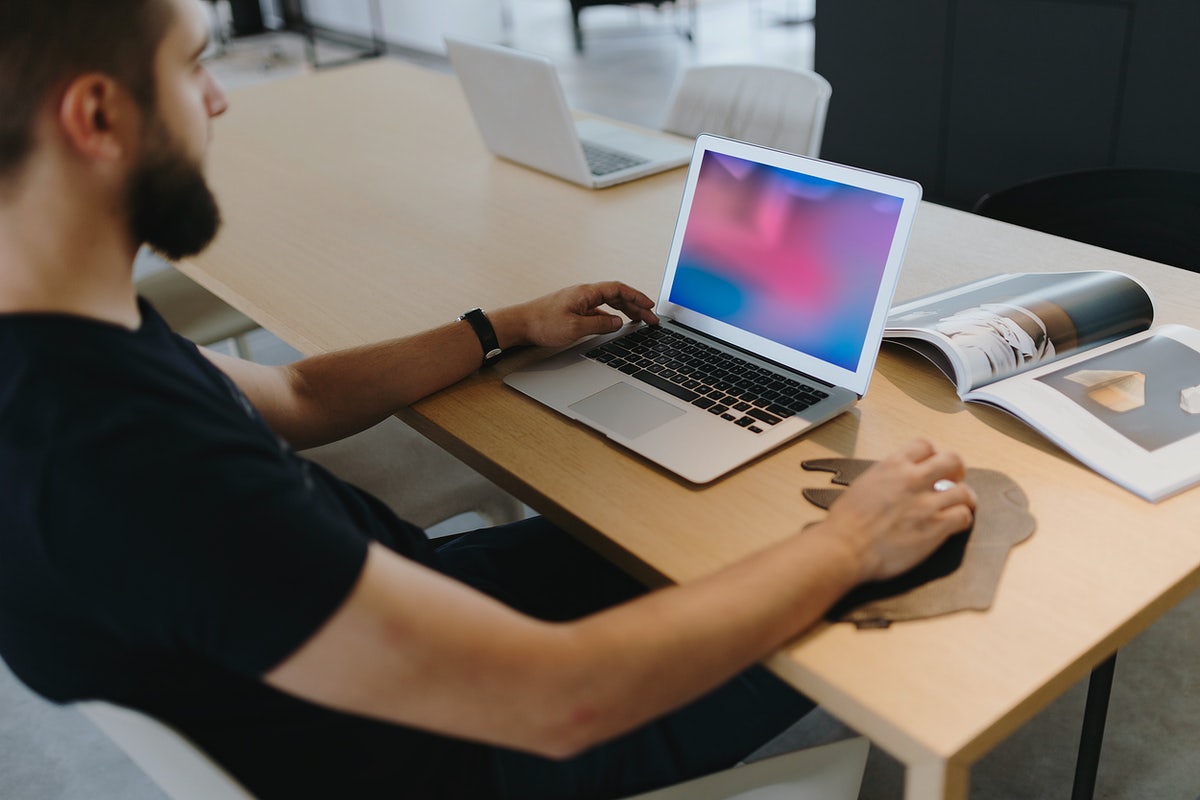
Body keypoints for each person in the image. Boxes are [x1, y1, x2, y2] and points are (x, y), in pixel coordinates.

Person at [0, 1, 977, 797]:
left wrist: (499, 327)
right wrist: (848, 546)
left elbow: (293, 391)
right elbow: (565, 700)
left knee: (706, 519)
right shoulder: (120, 464)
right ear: (98, 116)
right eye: (193, 64)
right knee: (892, 570)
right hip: (488, 747)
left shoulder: (58, 325)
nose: (217, 99)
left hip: (408, 620)